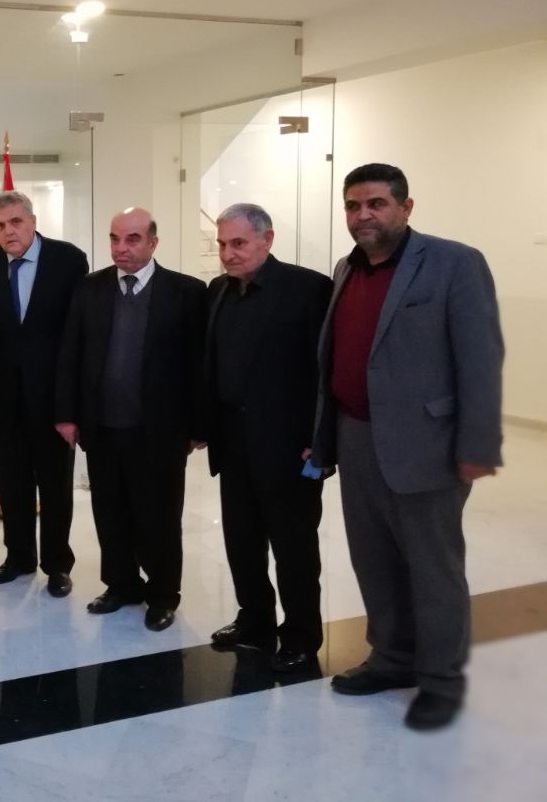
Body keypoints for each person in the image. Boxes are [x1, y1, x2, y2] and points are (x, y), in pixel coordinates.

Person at [311, 163, 503, 731]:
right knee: (373, 558)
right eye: (353, 206)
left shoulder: (454, 263)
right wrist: (324, 439)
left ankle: (441, 678)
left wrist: (477, 444)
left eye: (376, 204)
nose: (363, 215)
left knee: (433, 566)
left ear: (406, 207)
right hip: (356, 435)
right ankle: (392, 658)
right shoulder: (346, 268)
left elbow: (480, 359)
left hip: (427, 443)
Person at [55, 208, 206, 630]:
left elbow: (199, 365)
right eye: (115, 238)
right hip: (102, 426)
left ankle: (162, 594)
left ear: (153, 243)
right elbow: (71, 353)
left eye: (133, 239)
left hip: (160, 430)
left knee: (159, 515)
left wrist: (199, 425)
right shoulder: (90, 288)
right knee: (110, 511)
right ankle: (121, 584)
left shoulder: (186, 292)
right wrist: (66, 415)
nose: (121, 248)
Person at [204, 203, 332, 671]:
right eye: (222, 244)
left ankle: (301, 635)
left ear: (267, 239)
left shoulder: (308, 288)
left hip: (289, 447)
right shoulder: (218, 291)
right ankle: (254, 620)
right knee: (241, 540)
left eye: (238, 243)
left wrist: (322, 439)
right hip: (233, 442)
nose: (228, 254)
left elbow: (327, 371)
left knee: (294, 548)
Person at [0, 191, 88, 597]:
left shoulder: (68, 259)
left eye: (16, 222)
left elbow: (78, 333)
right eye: (0, 225)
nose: (8, 232)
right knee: (13, 481)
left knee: (55, 484)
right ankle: (18, 557)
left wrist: (72, 403)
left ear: (33, 221)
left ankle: (57, 565)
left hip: (54, 396)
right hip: (7, 394)